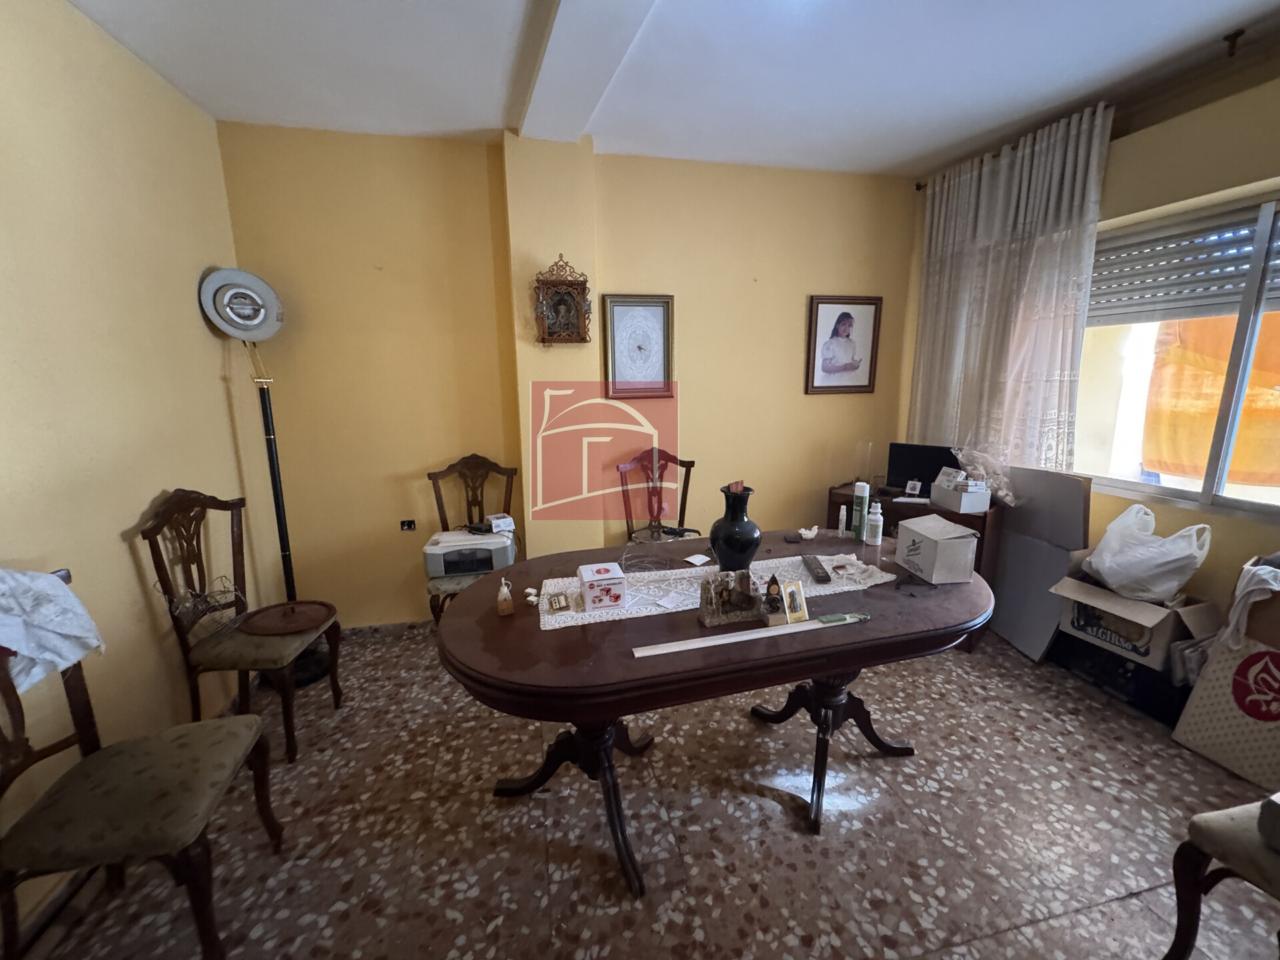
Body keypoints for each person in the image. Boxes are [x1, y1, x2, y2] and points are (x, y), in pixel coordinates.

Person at [819, 311, 862, 384]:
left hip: (849, 379)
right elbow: (824, 367)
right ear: (837, 325)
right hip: (835, 379)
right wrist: (844, 367)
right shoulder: (830, 344)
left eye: (849, 326)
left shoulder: (852, 343)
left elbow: (850, 359)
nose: (846, 328)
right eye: (843, 324)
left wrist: (855, 364)